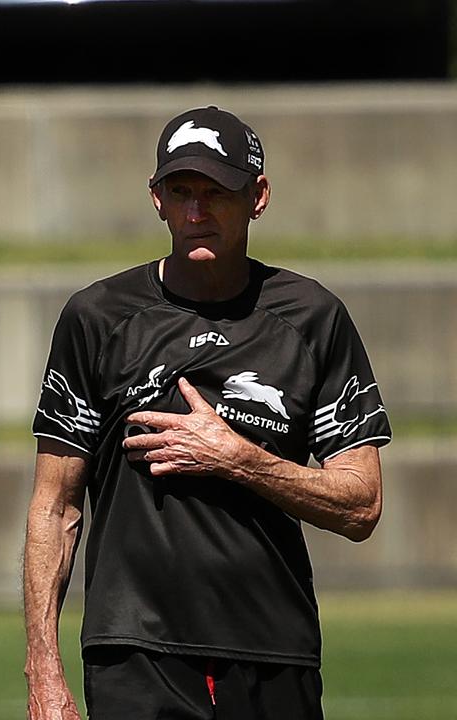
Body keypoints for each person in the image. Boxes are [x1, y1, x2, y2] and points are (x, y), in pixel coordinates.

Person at [22, 106, 390, 720]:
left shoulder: (313, 318)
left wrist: (239, 459)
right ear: (156, 199)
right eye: (180, 191)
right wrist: (43, 672)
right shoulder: (97, 318)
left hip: (274, 650)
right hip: (134, 653)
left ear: (258, 196)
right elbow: (53, 506)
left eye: (216, 192)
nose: (196, 212)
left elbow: (361, 504)